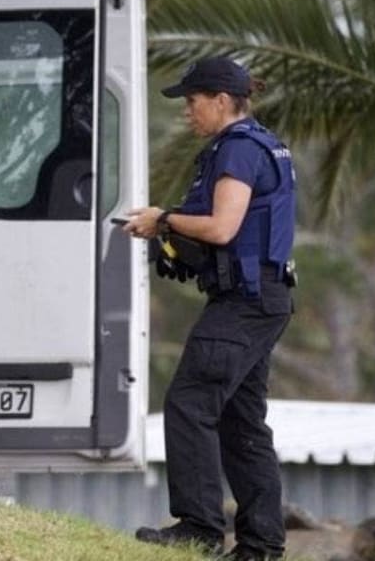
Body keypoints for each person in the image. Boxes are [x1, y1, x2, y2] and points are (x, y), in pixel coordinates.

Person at [124, 56, 296, 561]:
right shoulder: (259, 144)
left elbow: (222, 227)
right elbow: (237, 231)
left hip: (246, 302)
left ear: (221, 100)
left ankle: (199, 527)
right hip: (263, 296)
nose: (186, 111)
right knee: (242, 422)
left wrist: (165, 221)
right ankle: (261, 545)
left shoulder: (238, 150)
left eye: (192, 101)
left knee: (190, 402)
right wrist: (177, 240)